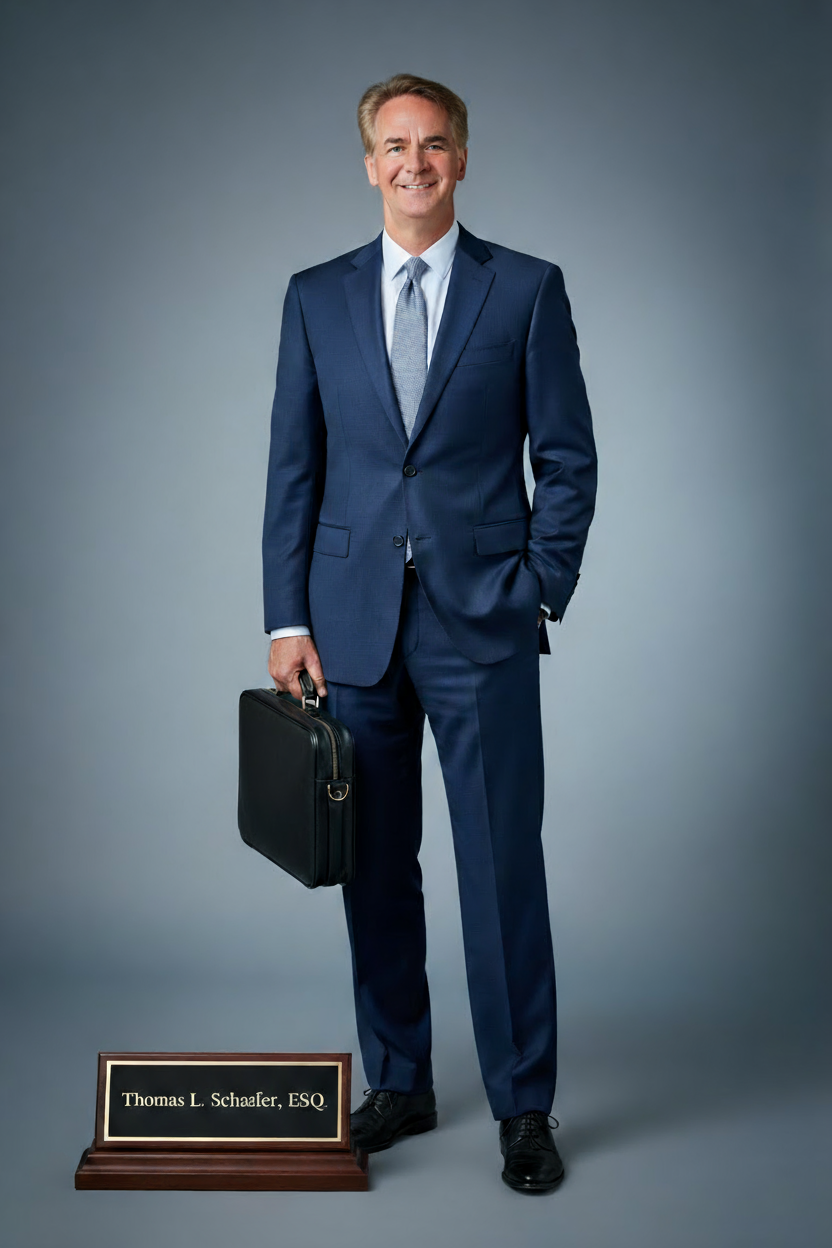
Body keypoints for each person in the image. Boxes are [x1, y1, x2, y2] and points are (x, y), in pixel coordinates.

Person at [262, 73, 596, 1193]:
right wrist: (285, 616)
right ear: (368, 162)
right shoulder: (314, 296)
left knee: (502, 870)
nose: (414, 161)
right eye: (394, 144)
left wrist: (537, 584)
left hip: (482, 624)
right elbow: (293, 472)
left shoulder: (526, 291)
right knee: (375, 869)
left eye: (435, 143)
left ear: (462, 158)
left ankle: (524, 1106)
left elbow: (567, 456)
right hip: (350, 628)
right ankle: (400, 1078)